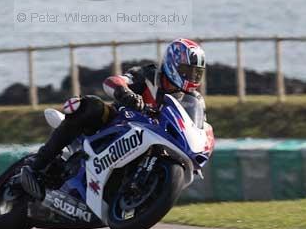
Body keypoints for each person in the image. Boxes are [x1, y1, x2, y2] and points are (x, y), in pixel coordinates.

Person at [20, 38, 208, 200]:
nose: (191, 77)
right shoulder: (149, 75)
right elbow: (114, 81)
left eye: (196, 73)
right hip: (118, 123)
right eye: (187, 70)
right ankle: (37, 166)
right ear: (172, 63)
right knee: (91, 106)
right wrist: (126, 94)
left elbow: (197, 126)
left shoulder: (192, 100)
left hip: (154, 140)